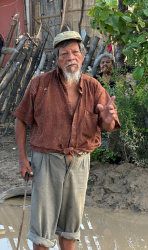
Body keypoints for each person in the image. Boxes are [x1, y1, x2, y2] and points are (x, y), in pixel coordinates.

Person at [13, 31, 120, 250]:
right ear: (57, 59)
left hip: (80, 163)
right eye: (64, 54)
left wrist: (108, 120)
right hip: (46, 161)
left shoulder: (94, 88)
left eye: (74, 52)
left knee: (71, 228)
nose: (70, 57)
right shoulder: (39, 84)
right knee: (41, 231)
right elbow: (21, 120)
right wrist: (23, 159)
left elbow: (108, 126)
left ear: (82, 56)